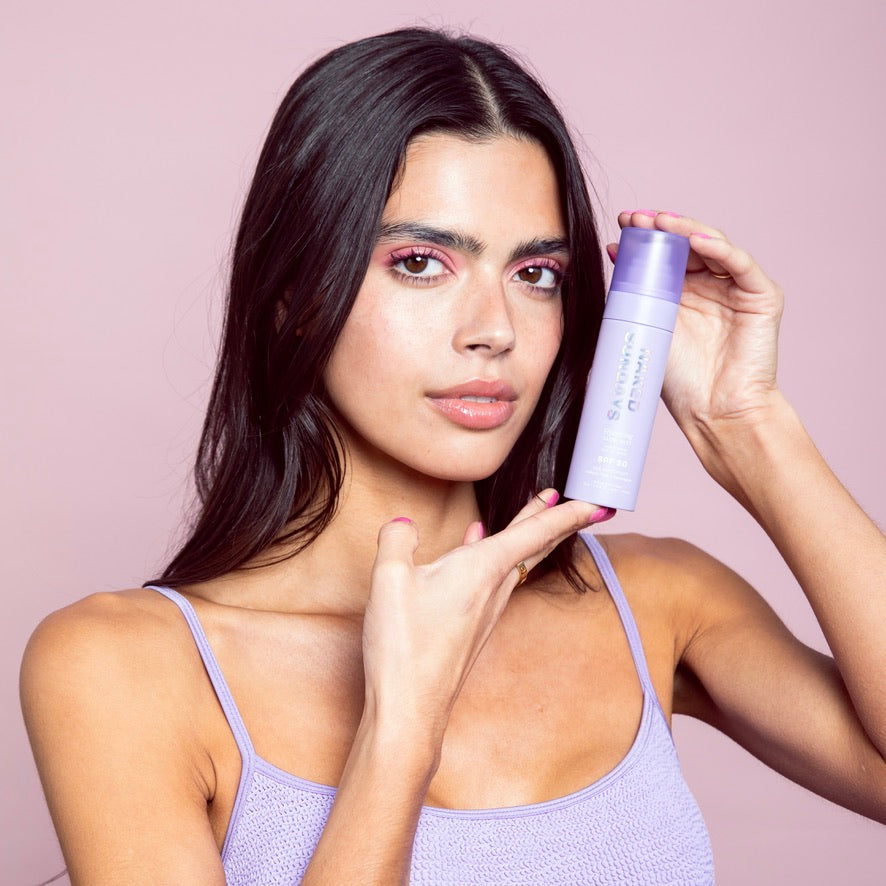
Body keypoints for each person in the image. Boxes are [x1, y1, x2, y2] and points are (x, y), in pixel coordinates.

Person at [20, 27, 886, 885]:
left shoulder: (660, 603)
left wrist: (749, 427)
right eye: (422, 262)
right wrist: (401, 727)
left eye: (536, 274)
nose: (496, 331)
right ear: (291, 293)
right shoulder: (120, 668)